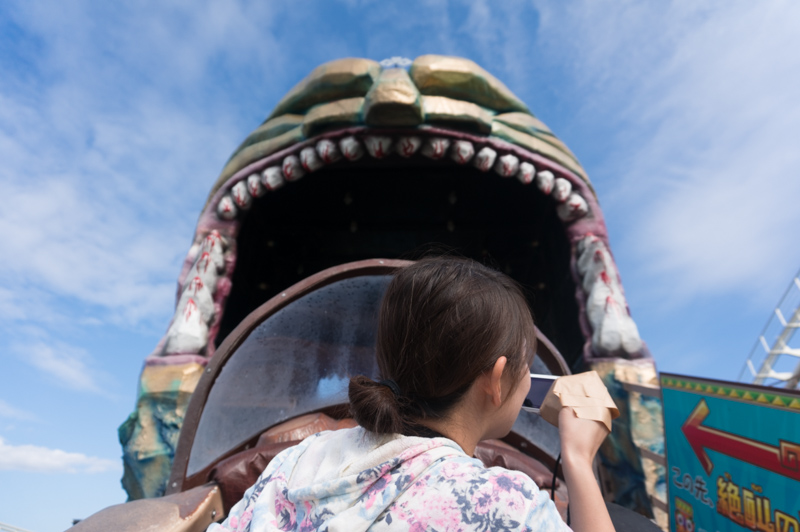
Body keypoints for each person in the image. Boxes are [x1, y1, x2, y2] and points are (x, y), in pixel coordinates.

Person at [209, 257, 615, 532]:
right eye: (524, 364)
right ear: (496, 379)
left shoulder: (298, 459)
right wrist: (578, 460)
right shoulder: (506, 504)